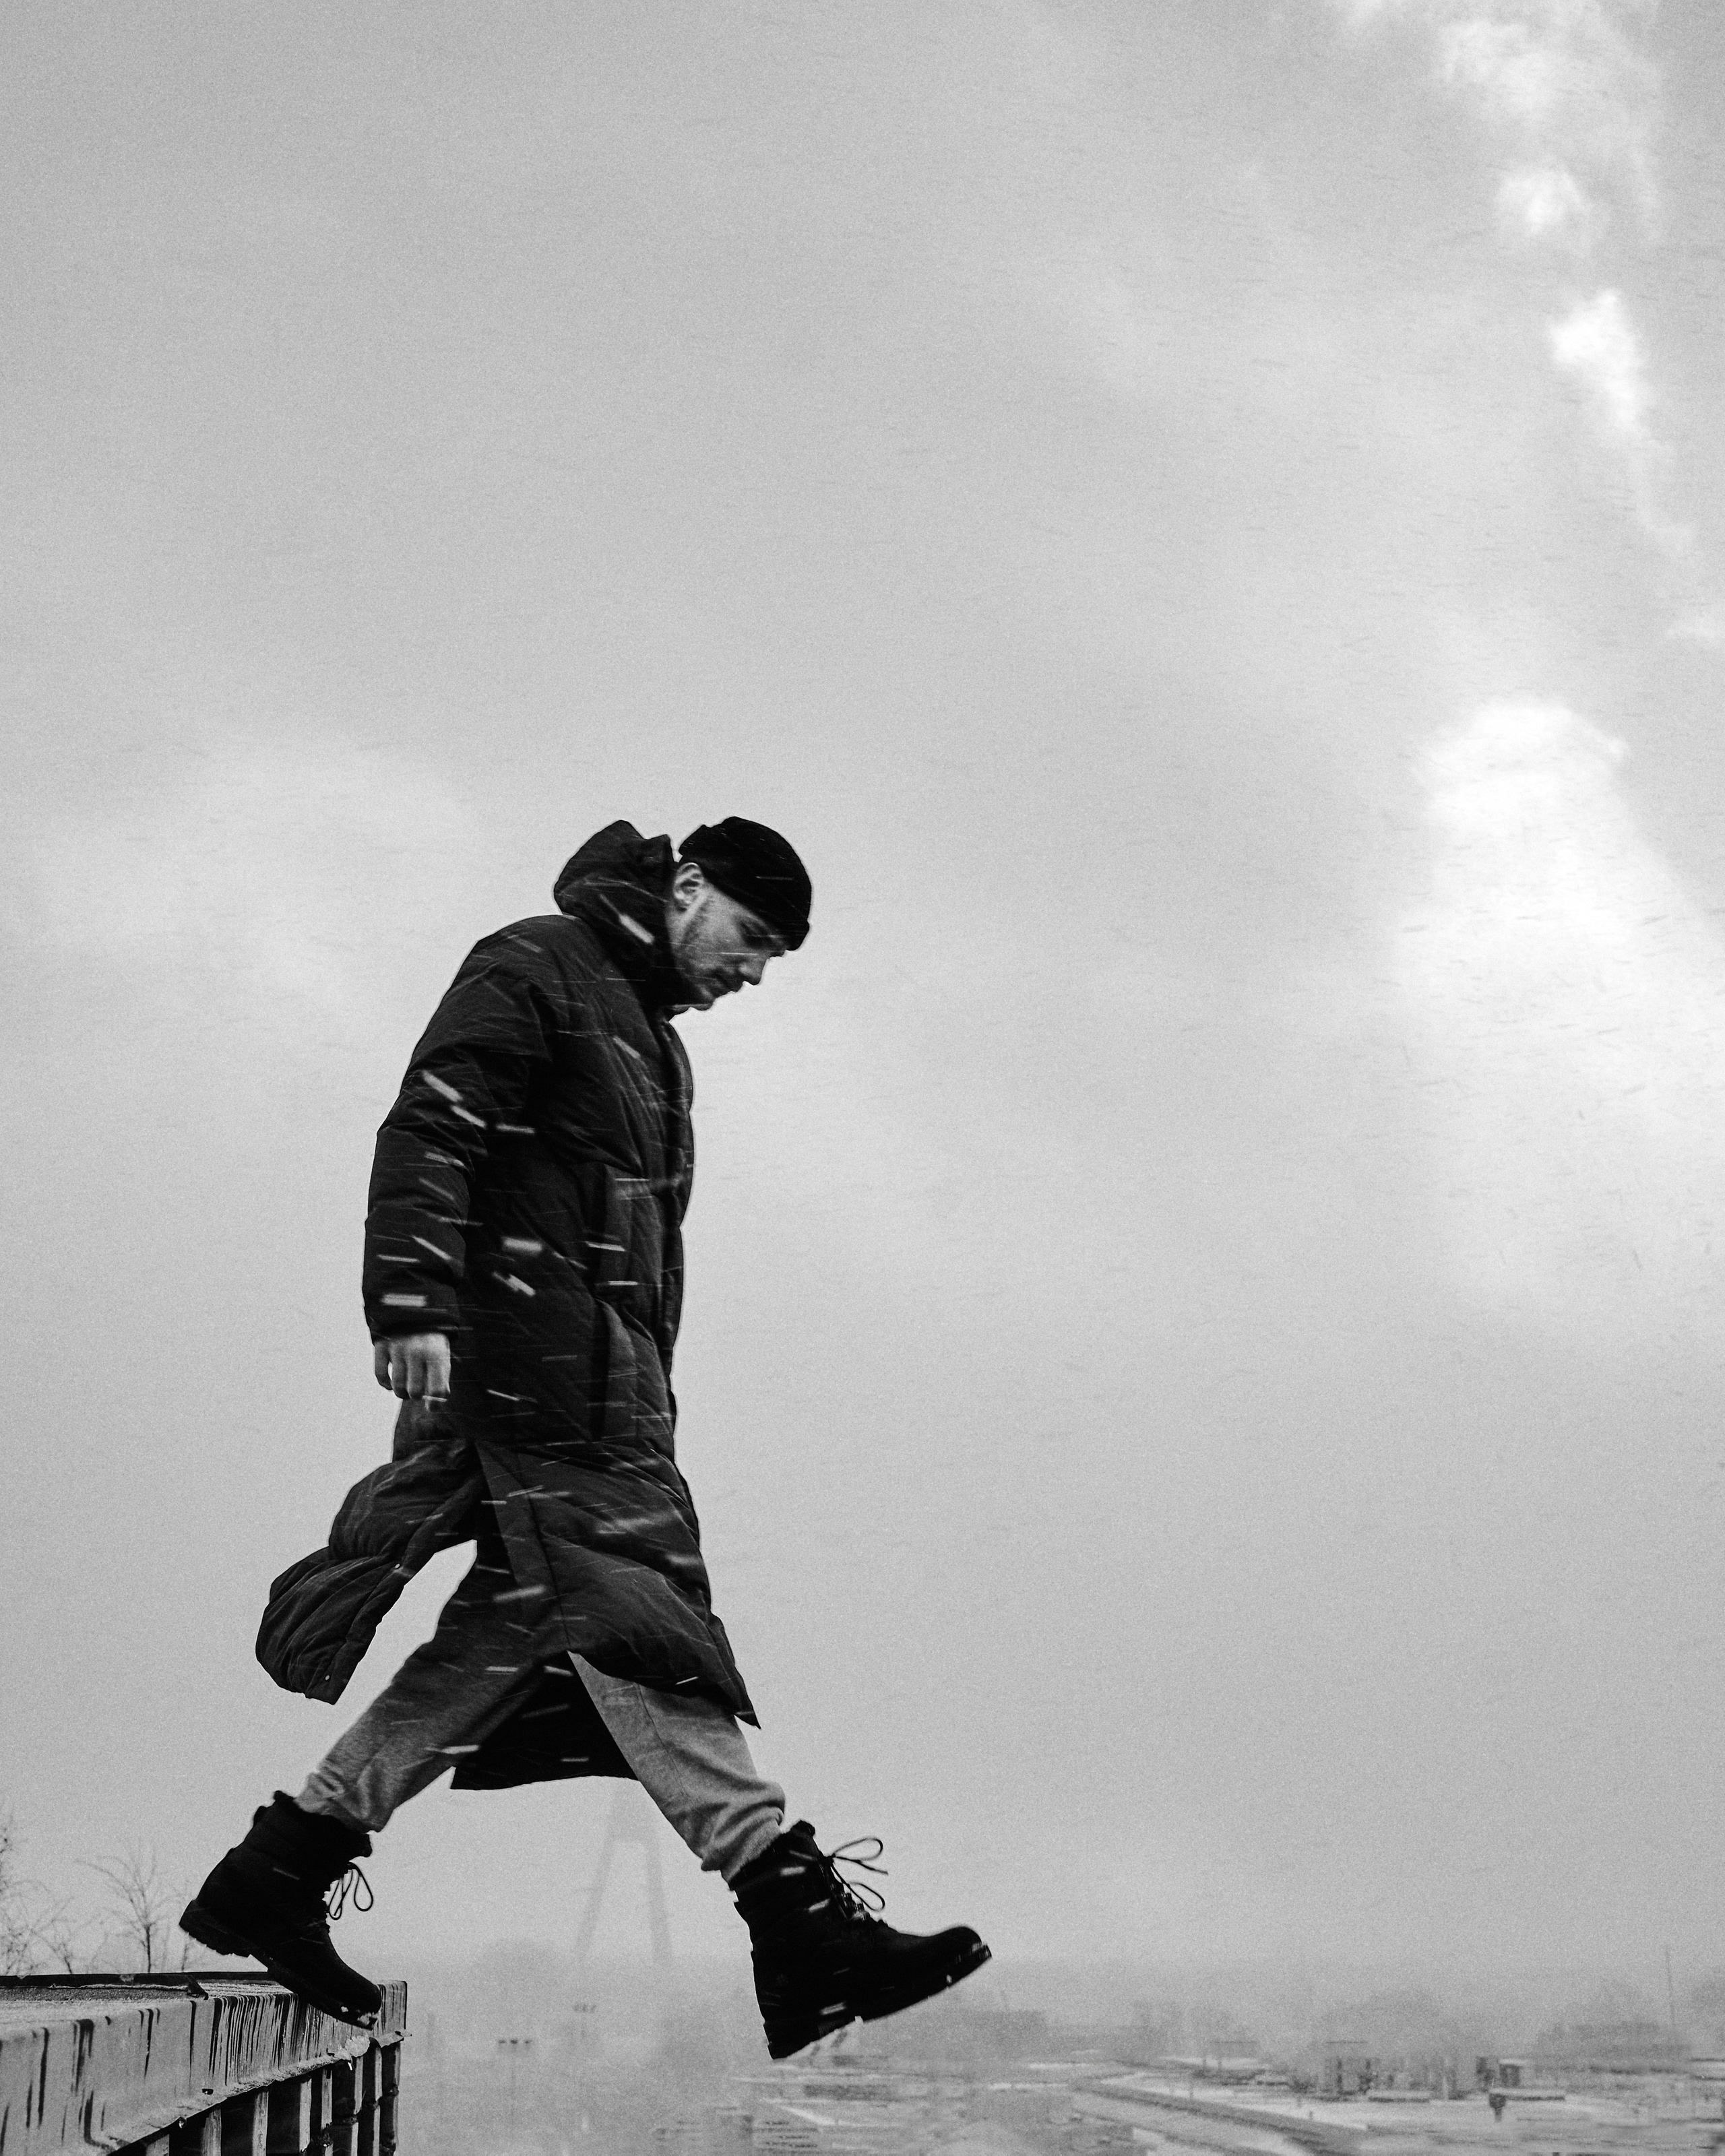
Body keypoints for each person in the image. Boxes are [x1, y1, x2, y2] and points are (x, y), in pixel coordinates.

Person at [179, 818, 989, 2060]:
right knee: (640, 1627)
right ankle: (796, 1914)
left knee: (497, 1650)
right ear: (685, 887)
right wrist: (411, 1304)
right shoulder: (538, 965)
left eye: (775, 956)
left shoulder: (651, 1044)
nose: (756, 972)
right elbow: (430, 1127)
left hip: (592, 1397)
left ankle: (280, 1869)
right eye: (753, 939)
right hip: (527, 1386)